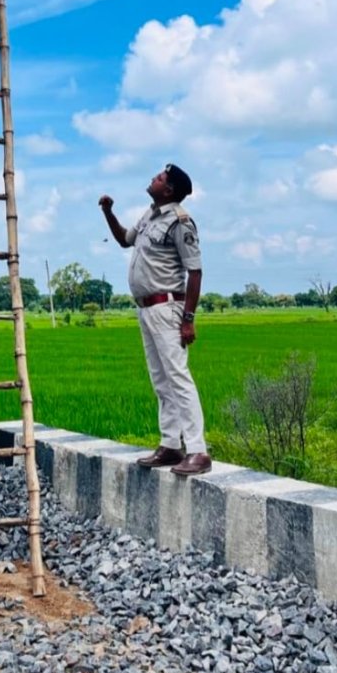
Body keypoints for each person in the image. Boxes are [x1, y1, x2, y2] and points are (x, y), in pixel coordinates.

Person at [99, 164, 210, 476]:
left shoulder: (180, 222)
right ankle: (170, 444)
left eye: (160, 178)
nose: (154, 178)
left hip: (167, 307)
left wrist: (188, 318)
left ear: (170, 189)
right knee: (160, 379)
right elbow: (124, 239)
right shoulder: (149, 216)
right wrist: (108, 212)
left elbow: (195, 271)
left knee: (178, 376)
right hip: (146, 308)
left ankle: (198, 450)